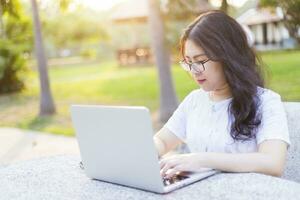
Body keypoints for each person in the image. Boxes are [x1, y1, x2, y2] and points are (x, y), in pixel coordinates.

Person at [153, 10, 291, 179]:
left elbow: (273, 163)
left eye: (200, 61)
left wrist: (202, 160)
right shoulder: (194, 100)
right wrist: (145, 150)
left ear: (228, 56)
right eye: (189, 62)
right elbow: (163, 140)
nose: (194, 71)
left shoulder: (265, 102)